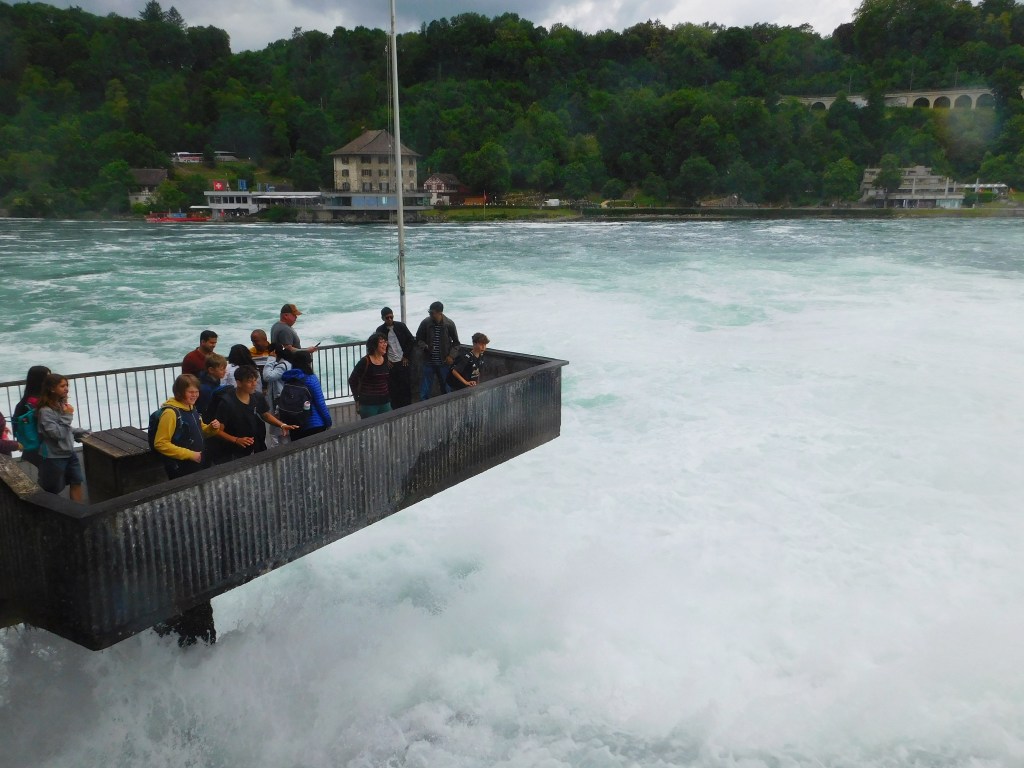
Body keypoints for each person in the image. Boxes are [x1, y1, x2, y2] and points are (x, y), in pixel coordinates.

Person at [207, 365, 297, 464]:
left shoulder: (257, 397)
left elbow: (265, 414)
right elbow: (218, 431)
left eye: (255, 380)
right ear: (239, 383)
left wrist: (282, 425)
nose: (254, 384)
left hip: (257, 445)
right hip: (235, 452)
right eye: (250, 381)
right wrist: (236, 440)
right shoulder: (227, 403)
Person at [152, 374, 222, 480]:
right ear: (179, 393)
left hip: (196, 462)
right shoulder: (170, 413)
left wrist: (212, 428)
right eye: (191, 392)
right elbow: (160, 443)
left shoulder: (191, 407)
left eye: (196, 391)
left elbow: (200, 430)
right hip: (180, 466)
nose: (195, 395)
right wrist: (191, 455)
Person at [35, 373, 90, 502]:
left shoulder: (61, 404)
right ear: (52, 389)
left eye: (67, 385)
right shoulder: (45, 411)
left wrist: (79, 432)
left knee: (77, 481)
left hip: (69, 453)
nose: (66, 388)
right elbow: (57, 434)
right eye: (62, 386)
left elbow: (65, 429)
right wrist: (68, 415)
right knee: (52, 489)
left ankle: (78, 513)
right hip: (54, 456)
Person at [279, 350, 332, 441]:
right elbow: (320, 403)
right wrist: (328, 422)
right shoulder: (311, 379)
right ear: (308, 363)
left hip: (295, 423)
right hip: (314, 423)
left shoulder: (289, 378)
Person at [415, 300, 460, 401]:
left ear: (440, 313)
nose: (430, 314)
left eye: (432, 312)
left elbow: (456, 343)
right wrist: (426, 346)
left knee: (447, 388)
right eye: (429, 312)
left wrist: (451, 356)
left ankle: (448, 405)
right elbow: (418, 339)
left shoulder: (449, 324)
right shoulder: (425, 322)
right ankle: (423, 408)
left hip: (444, 362)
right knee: (425, 390)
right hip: (428, 361)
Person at [375, 306, 415, 409]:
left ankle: (407, 408)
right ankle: (395, 410)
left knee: (405, 386)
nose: (389, 320)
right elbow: (378, 347)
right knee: (393, 388)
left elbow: (411, 340)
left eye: (391, 317)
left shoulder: (401, 326)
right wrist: (386, 360)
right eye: (387, 318)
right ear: (383, 318)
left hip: (402, 361)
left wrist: (406, 356)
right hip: (391, 363)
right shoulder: (380, 330)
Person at [12, 364, 50, 467]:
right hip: (42, 447)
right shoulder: (36, 402)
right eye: (48, 378)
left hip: (30, 445)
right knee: (47, 476)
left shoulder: (24, 401)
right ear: (41, 381)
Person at [349, 334, 392, 419]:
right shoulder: (365, 361)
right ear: (374, 345)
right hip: (368, 404)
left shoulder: (385, 359)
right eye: (381, 342)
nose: (385, 344)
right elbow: (352, 380)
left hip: (385, 402)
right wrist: (357, 399)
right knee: (370, 430)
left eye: (385, 342)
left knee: (386, 427)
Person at [261, 345, 292, 448]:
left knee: (276, 432)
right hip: (282, 400)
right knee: (280, 431)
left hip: (279, 402)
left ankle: (278, 453)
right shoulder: (285, 363)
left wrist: (270, 359)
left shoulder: (282, 365)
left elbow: (267, 376)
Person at [196, 352, 227, 418]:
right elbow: (203, 409)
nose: (225, 371)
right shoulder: (205, 389)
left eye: (225, 368)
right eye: (222, 369)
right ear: (211, 370)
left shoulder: (216, 380)